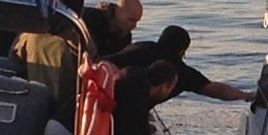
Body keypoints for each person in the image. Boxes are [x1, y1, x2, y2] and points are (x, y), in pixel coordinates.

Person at [9, 0, 86, 135]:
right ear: (79, 12)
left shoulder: (31, 33)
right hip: (62, 110)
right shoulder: (78, 41)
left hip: (31, 101)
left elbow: (13, 56)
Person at [104, 25, 253, 101]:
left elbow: (106, 63)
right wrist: (246, 95)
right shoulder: (180, 71)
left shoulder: (140, 47)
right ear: (182, 52)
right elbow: (215, 90)